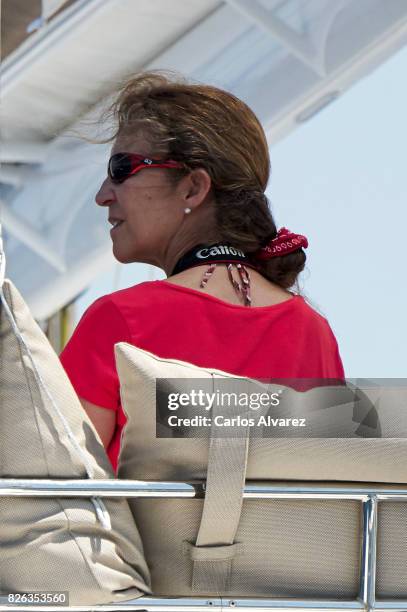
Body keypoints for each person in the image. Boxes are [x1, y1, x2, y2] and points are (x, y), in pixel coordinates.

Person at [59, 71, 345, 473]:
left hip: (150, 540)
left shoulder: (122, 320)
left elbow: (55, 488)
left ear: (193, 188)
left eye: (121, 168)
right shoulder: (312, 333)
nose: (103, 195)